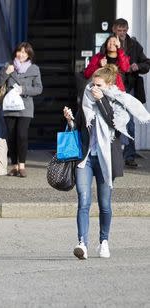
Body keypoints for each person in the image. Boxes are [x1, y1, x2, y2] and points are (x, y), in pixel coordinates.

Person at [63, 64, 150, 260]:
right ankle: (82, 244)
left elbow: (114, 123)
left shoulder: (118, 102)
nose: (94, 88)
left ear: (109, 85)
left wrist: (101, 101)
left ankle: (104, 241)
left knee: (104, 204)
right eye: (93, 84)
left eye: (99, 85)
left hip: (106, 159)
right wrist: (70, 120)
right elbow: (78, 125)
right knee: (83, 202)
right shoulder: (86, 99)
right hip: (85, 158)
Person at [0, 42, 43, 177]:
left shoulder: (34, 69)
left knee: (21, 135)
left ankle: (22, 165)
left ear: (29, 55)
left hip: (25, 106)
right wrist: (6, 73)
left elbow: (39, 89)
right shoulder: (8, 66)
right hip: (9, 106)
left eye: (24, 52)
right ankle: (14, 166)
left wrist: (24, 90)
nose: (21, 54)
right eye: (19, 51)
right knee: (11, 136)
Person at [112, 18, 150, 168]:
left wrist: (138, 66)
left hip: (129, 87)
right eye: (119, 30)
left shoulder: (134, 45)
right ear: (114, 29)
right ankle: (112, 153)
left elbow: (147, 64)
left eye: (124, 30)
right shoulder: (109, 44)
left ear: (127, 29)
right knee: (112, 120)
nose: (121, 33)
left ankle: (129, 155)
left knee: (130, 123)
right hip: (112, 87)